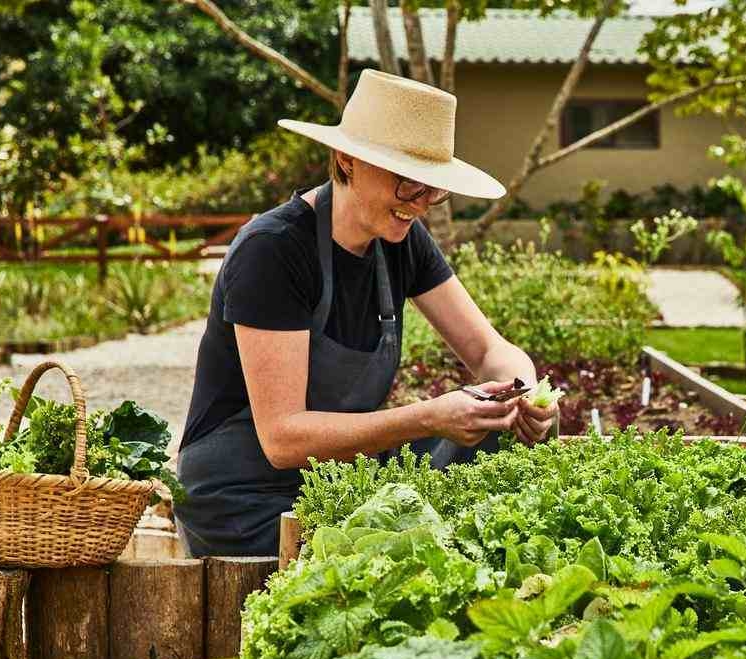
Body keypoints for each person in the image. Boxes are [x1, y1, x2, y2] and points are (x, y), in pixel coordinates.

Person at [174, 70, 558, 556]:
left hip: (335, 478)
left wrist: (525, 393)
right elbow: (282, 439)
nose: (419, 205)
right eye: (405, 185)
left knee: (495, 448)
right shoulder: (273, 251)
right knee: (415, 539)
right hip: (245, 493)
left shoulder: (401, 237)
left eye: (432, 189)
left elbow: (487, 349)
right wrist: (428, 418)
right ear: (347, 159)